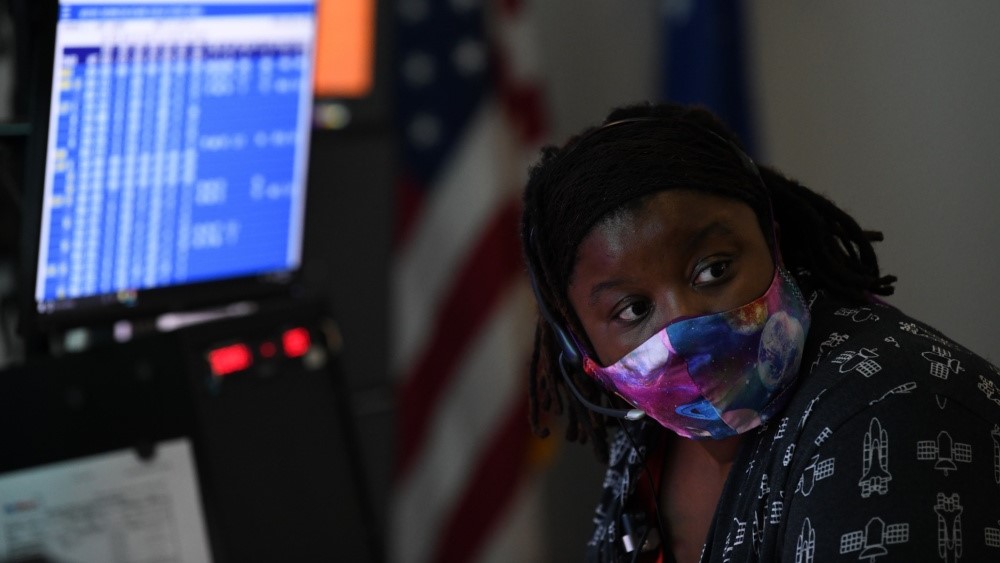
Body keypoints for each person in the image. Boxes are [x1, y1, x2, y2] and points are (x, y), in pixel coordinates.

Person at [520, 102, 1000, 563]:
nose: (686, 324)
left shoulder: (894, 410)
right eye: (633, 309)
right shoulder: (648, 437)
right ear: (580, 345)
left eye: (714, 269)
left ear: (772, 239)